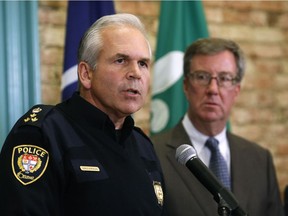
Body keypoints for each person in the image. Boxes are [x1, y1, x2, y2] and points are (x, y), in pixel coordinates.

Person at [0, 13, 165, 216]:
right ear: (86, 74)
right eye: (121, 60)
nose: (136, 73)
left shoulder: (143, 146)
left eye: (143, 63)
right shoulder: (43, 134)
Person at [152, 38, 284, 216]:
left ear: (236, 89)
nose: (213, 89)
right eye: (202, 77)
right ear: (186, 85)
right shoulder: (152, 154)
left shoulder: (260, 160)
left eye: (224, 78)